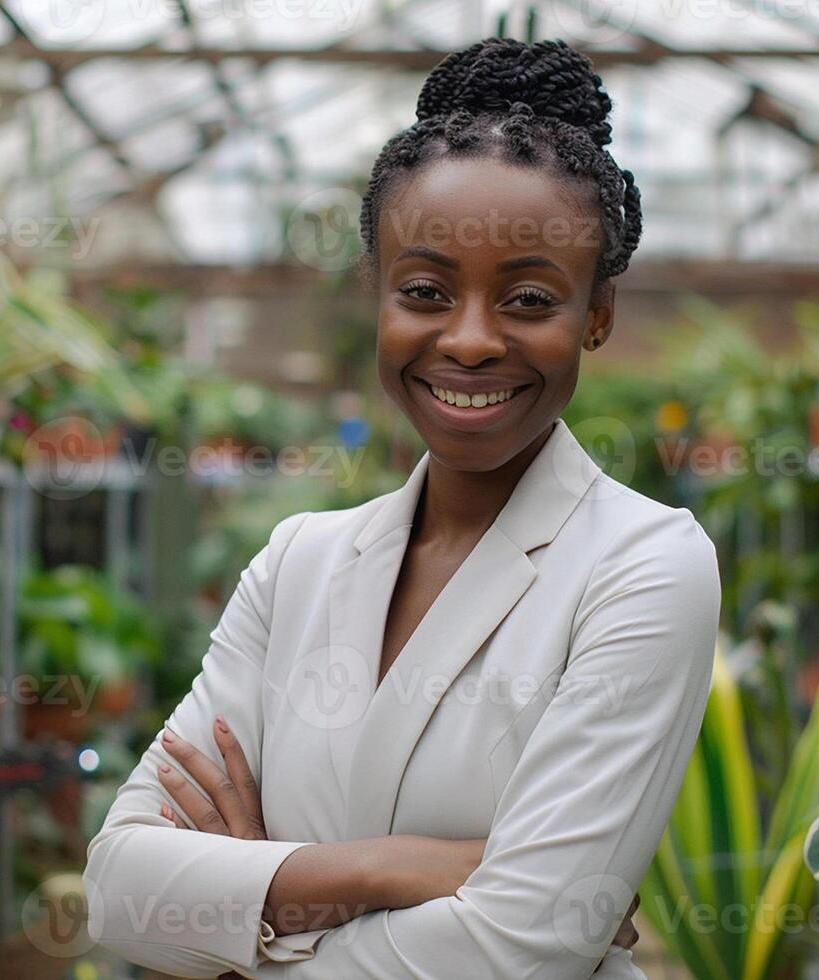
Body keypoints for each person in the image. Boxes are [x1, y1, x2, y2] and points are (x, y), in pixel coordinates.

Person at [84, 37, 721, 979]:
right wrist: (402, 872)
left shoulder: (643, 564)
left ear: (597, 315)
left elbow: (520, 949)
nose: (468, 341)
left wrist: (251, 901)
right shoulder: (298, 561)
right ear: (380, 296)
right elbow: (118, 888)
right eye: (425, 291)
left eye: (530, 299)